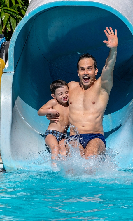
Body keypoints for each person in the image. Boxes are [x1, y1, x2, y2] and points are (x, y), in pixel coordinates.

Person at [68, 27, 118, 158]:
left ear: (96, 71)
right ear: (78, 72)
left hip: (95, 137)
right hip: (74, 137)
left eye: (89, 69)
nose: (85, 73)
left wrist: (113, 49)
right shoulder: (70, 87)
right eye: (82, 69)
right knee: (74, 161)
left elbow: (109, 67)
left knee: (89, 156)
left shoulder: (102, 86)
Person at [38, 80, 69, 160]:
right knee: (55, 148)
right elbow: (40, 112)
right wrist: (49, 111)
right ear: (54, 96)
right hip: (52, 133)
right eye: (60, 94)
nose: (64, 95)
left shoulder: (70, 105)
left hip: (63, 135)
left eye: (66, 92)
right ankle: (54, 167)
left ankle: (63, 169)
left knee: (64, 151)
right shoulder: (54, 102)